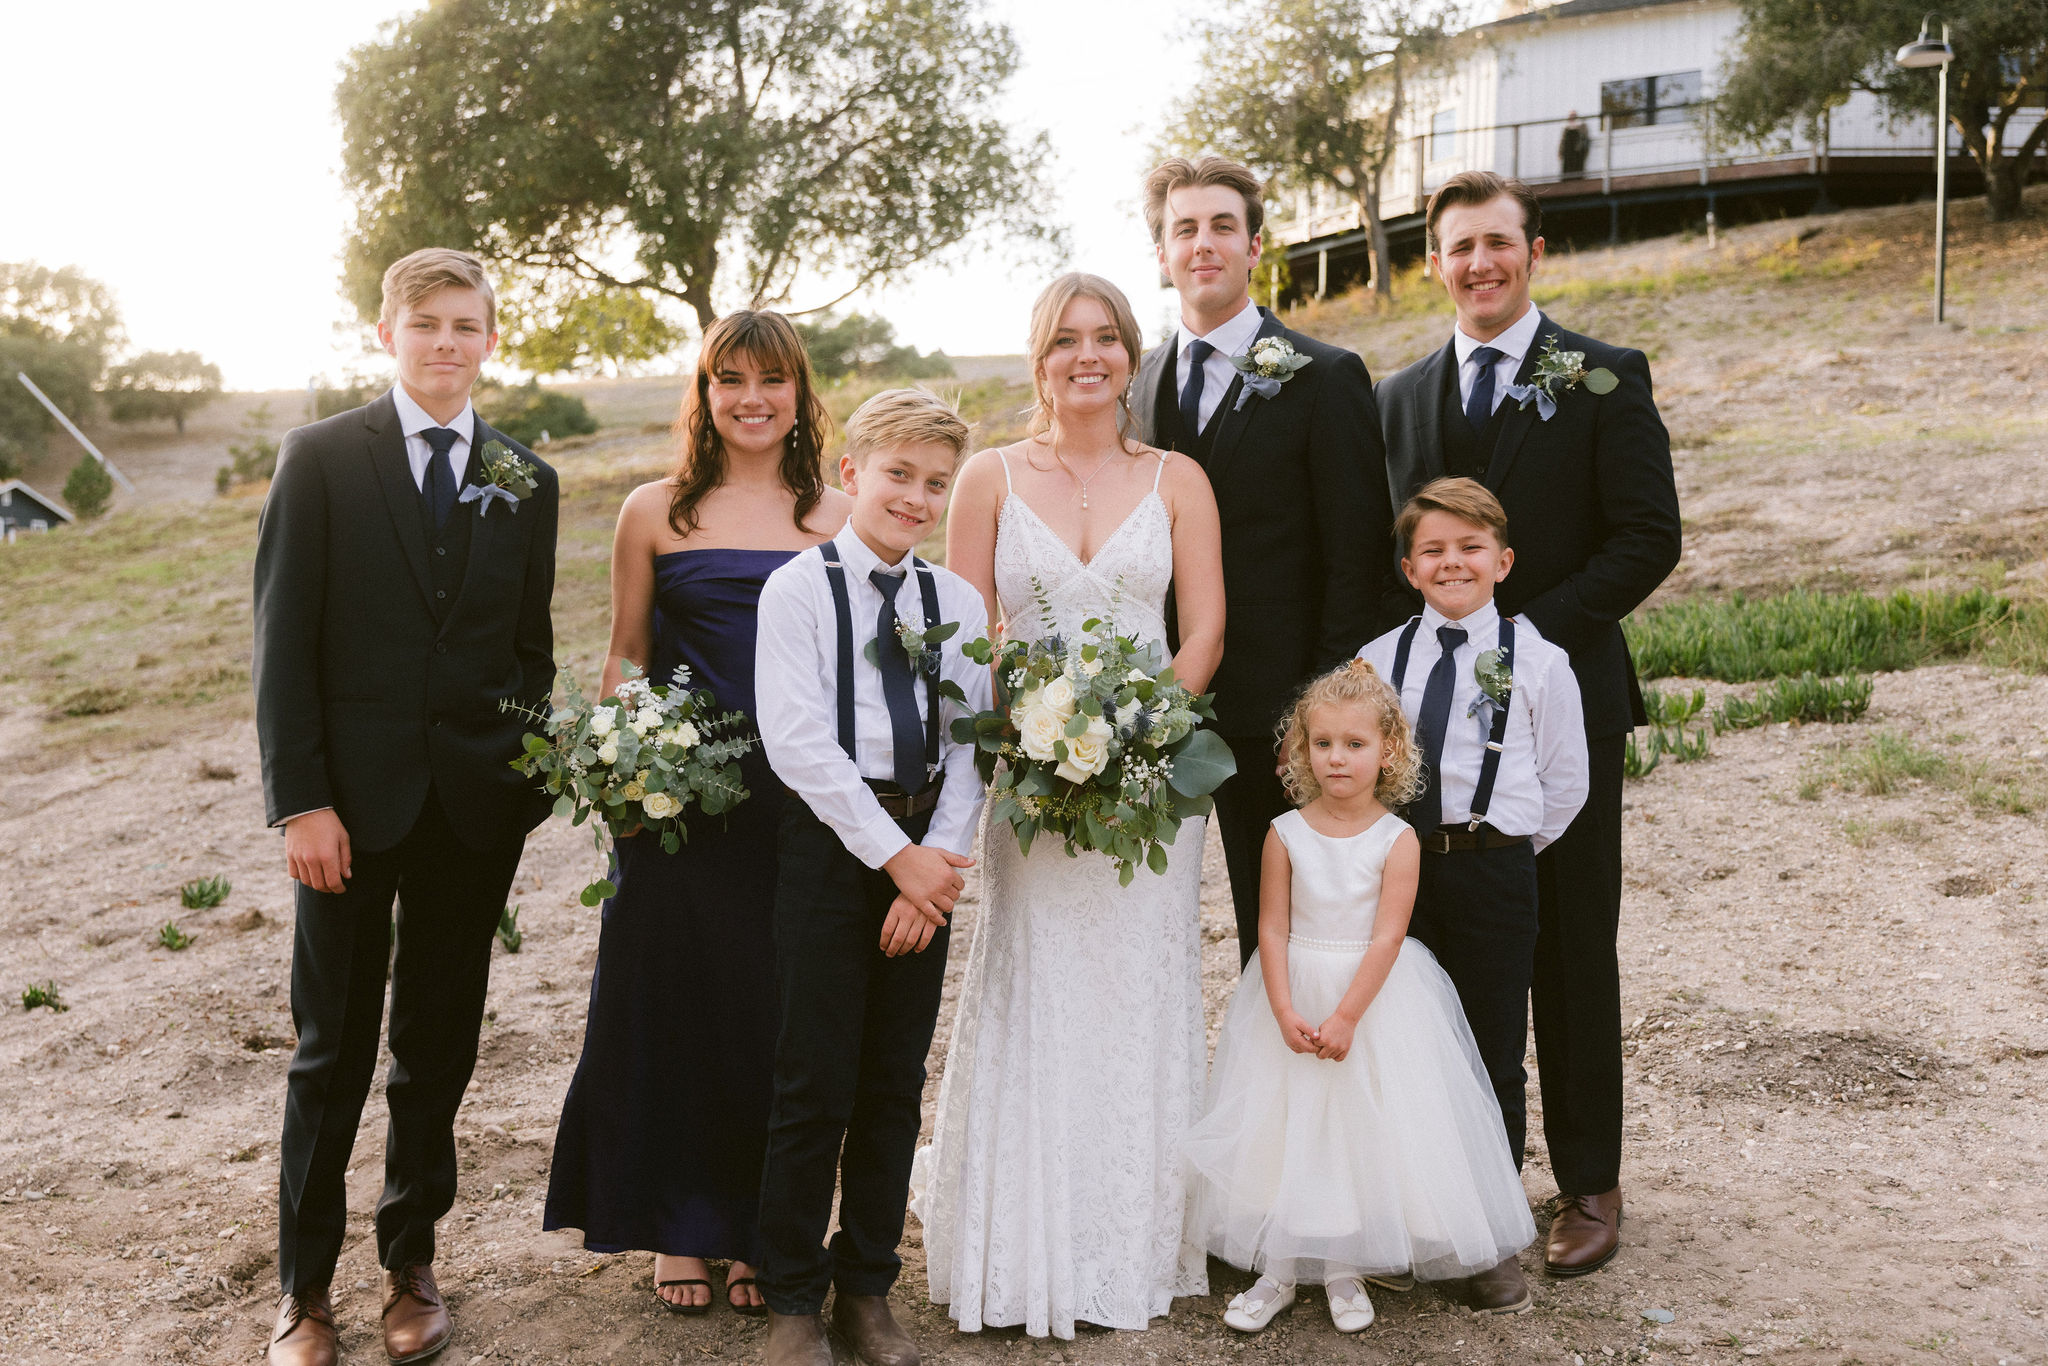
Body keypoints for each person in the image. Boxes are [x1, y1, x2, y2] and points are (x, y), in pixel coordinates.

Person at [252, 248, 558, 1366]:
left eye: (465, 324)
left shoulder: (525, 475)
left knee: (437, 1047)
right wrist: (302, 802)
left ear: (490, 339)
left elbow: (529, 649)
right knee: (330, 1049)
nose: (445, 342)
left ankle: (409, 1261)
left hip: (470, 815)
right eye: (425, 323)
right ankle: (302, 1288)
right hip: (347, 811)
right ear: (387, 333)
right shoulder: (322, 458)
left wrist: (518, 785)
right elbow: (283, 643)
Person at [1374, 171, 1681, 1278]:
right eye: (1458, 247)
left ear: (1533, 252)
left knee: (1571, 940)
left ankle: (1589, 1180)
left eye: (1497, 243)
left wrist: (1522, 642)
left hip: (1565, 707)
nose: (1479, 264)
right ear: (1434, 263)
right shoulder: (1396, 398)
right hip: (1428, 728)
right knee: (1449, 941)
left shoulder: (1603, 375)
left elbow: (1647, 537)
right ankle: (1458, 1175)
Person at [913, 273, 1225, 1339]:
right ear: (1038, 359)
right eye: (1064, 340)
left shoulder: (1178, 478)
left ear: (1130, 356)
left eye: (1104, 338)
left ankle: (1127, 1239)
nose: (1085, 356)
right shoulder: (989, 478)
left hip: (1147, 784)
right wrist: (1035, 739)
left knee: (1138, 988)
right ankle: (1021, 1245)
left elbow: (1202, 632)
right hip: (1032, 782)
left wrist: (1139, 740)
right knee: (1036, 981)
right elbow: (968, 637)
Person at [543, 311, 851, 1317]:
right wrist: (621, 774)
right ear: (705, 393)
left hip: (798, 806)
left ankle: (761, 1225)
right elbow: (626, 655)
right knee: (668, 1000)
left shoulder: (841, 516)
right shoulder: (653, 511)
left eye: (772, 379)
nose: (752, 399)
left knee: (775, 1009)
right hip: (677, 805)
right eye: (731, 380)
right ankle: (677, 1223)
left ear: (800, 394)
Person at [1183, 660, 1536, 1336]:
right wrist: (1283, 1008)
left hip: (1372, 1003)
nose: (1337, 758)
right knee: (1287, 1129)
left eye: (1354, 744)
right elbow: (1271, 927)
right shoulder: (1284, 833)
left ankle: (1344, 1268)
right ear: (1301, 750)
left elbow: (1387, 937)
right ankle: (1277, 1270)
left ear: (1388, 751)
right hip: (1293, 991)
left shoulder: (1397, 839)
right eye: (1322, 743)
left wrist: (1347, 1016)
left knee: (1355, 1132)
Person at [752, 388, 993, 1366]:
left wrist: (933, 867)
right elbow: (798, 742)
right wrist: (896, 860)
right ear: (850, 473)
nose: (915, 498)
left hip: (926, 853)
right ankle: (791, 1298)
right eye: (898, 474)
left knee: (894, 1082)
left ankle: (865, 1290)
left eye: (935, 483)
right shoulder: (798, 590)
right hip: (830, 848)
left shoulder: (957, 602)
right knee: (813, 1078)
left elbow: (971, 746)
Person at [1129, 154, 1399, 969]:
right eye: (1184, 229)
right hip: (1152, 703)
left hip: (1277, 713)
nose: (1202, 243)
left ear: (1254, 247)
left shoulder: (1327, 376)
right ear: (1162, 253)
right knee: (1141, 922)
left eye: (1223, 226)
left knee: (1279, 929)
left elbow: (1358, 559)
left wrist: (1317, 714)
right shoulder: (1135, 385)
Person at [1355, 476, 1589, 1311]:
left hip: (1494, 872)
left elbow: (1564, 783)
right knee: (1401, 1043)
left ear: (1503, 561)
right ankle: (1407, 1222)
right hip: (1400, 872)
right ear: (1409, 569)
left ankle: (1489, 1237)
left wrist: (1497, 850)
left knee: (1492, 1051)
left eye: (1470, 547)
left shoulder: (1541, 661)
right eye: (1433, 550)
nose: (1452, 562)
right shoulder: (1377, 660)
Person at [1559, 112, 1591, 180]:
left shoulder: (1582, 125)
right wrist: (1560, 151)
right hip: (1568, 151)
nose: (1572, 117)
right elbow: (1563, 140)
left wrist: (1583, 149)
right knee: (1567, 166)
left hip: (1578, 151)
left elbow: (1585, 138)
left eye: (1573, 116)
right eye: (1570, 116)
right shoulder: (1566, 127)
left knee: (1578, 165)